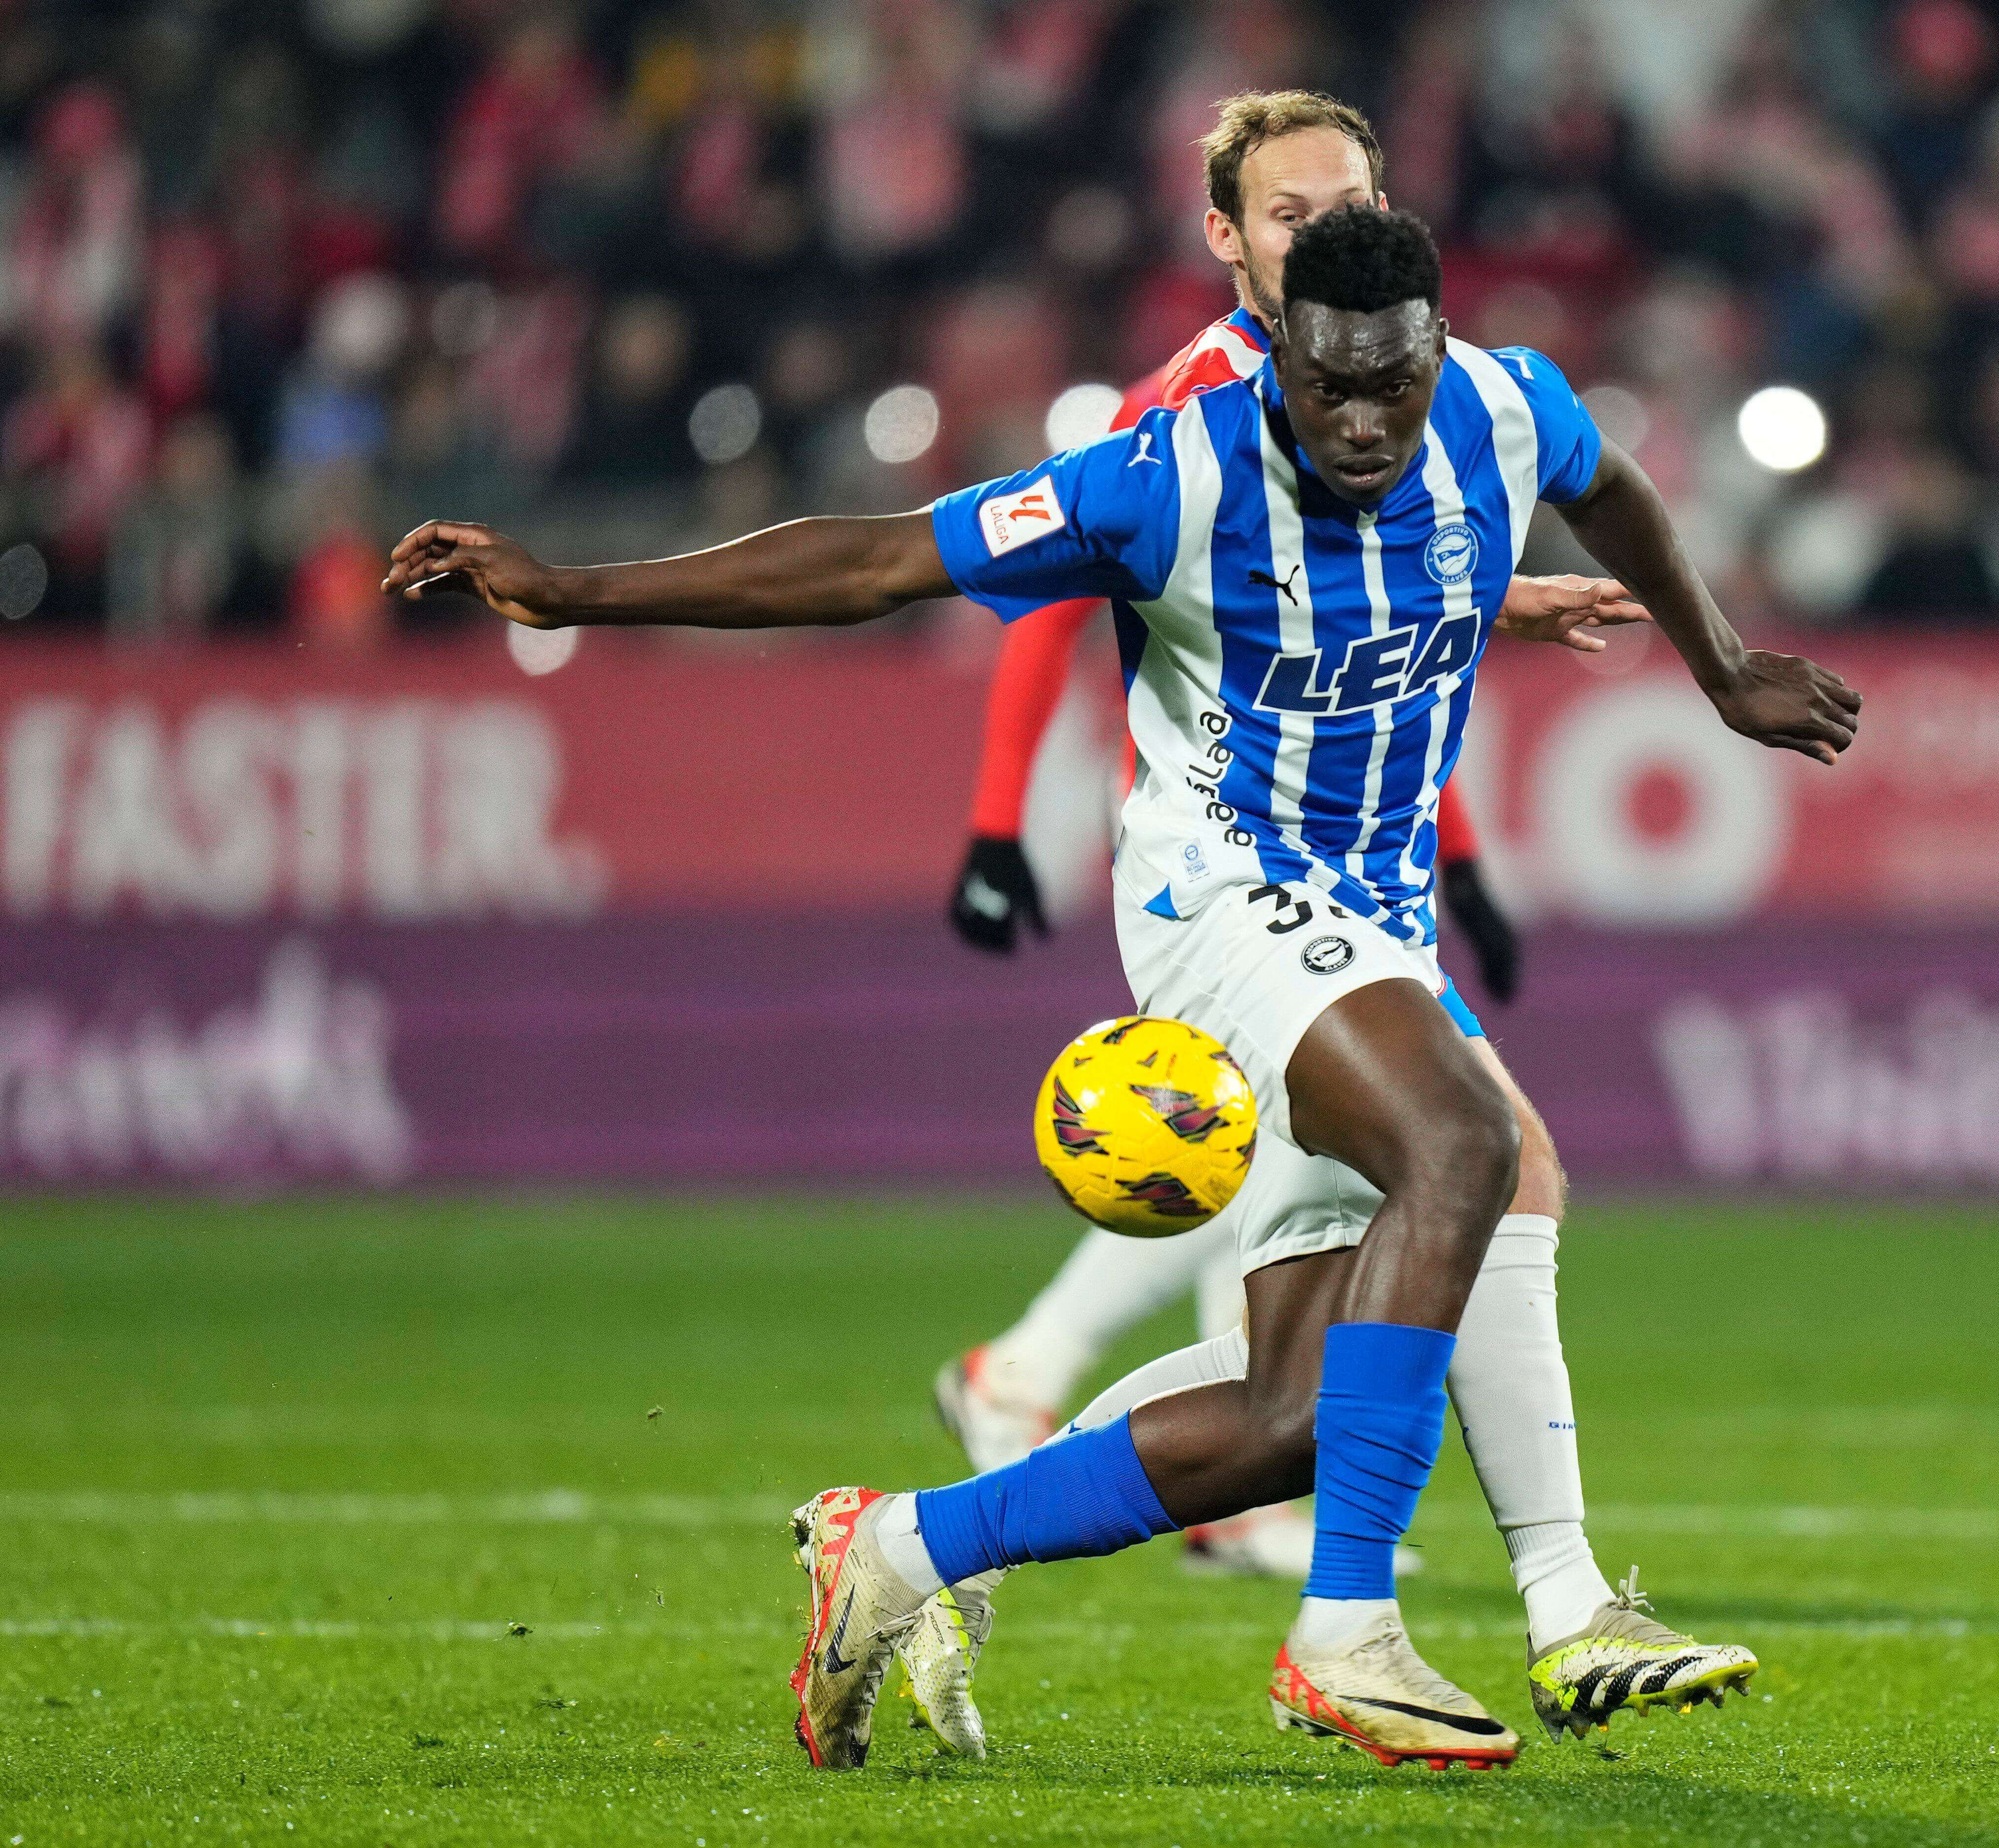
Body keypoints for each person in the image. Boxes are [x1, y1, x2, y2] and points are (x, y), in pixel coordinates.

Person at [383, 202, 1858, 1773]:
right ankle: (1351, 1632)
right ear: (1279, 348)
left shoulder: (1506, 410)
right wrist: (577, 592)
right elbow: (882, 558)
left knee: (1292, 1409)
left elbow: (1613, 487)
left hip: (1377, 919)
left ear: (1438, 355)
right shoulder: (1174, 474)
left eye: (1394, 386)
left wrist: (1722, 665)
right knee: (1471, 1146)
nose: (1363, 422)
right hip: (1223, 900)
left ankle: (900, 1549)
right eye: (1330, 384)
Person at [937, 96, 1594, 1593]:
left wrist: (1466, 838)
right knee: (1456, 1161)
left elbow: (1389, 647)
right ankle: (1491, 1601)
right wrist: (992, 821)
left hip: (1364, 877)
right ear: (1228, 240)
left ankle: (989, 1476)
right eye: (1286, 215)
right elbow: (1036, 592)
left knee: (1339, 1245)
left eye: (1343, 202)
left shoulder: (1402, 377)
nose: (1319, 232)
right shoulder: (1183, 415)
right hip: (1233, 878)